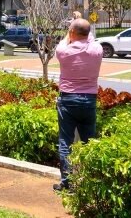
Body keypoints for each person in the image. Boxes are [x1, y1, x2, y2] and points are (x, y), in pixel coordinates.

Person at [53, 17, 102, 192]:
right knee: (89, 143)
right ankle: (89, 182)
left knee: (65, 143)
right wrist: (79, 21)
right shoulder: (97, 49)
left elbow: (67, 39)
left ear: (72, 32)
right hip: (89, 100)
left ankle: (67, 182)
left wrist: (72, 26)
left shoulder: (63, 51)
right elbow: (89, 36)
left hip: (68, 100)